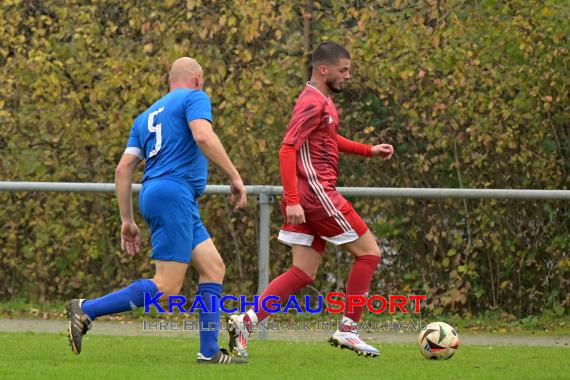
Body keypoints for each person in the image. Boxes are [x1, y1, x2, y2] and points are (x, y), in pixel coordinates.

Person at [66, 57, 248, 364]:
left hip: (159, 194)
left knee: (213, 267)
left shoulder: (145, 116)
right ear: (198, 78)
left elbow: (123, 169)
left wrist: (127, 220)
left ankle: (209, 352)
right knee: (166, 286)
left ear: (170, 81)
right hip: (174, 194)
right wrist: (234, 176)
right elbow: (203, 136)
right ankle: (88, 309)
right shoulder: (195, 97)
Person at [227, 41, 394, 358]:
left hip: (307, 199)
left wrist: (368, 150)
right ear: (324, 69)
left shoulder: (323, 101)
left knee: (302, 272)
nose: (347, 76)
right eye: (343, 70)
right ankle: (348, 330)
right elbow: (287, 149)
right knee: (370, 253)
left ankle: (245, 322)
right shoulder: (312, 103)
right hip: (316, 196)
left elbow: (330, 139)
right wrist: (292, 200)